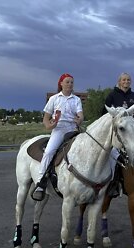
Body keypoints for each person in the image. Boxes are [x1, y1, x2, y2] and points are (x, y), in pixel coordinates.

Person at [32, 73, 84, 201]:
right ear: (61, 83)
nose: (70, 84)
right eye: (67, 82)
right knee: (49, 151)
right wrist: (50, 126)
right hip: (59, 129)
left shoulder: (76, 99)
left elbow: (80, 115)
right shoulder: (54, 99)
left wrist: (79, 120)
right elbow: (46, 119)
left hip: (72, 128)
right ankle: (40, 182)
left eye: (72, 82)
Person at [105, 72, 134, 197]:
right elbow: (105, 115)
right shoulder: (112, 95)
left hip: (132, 130)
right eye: (124, 80)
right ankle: (114, 183)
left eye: (128, 80)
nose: (126, 82)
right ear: (119, 81)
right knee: (115, 156)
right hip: (117, 132)